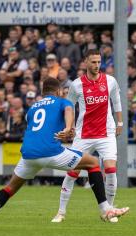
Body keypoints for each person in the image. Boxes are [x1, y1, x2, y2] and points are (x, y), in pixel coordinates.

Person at [0, 78, 129, 231]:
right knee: (93, 162)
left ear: (42, 92)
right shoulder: (62, 101)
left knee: (10, 188)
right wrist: (68, 128)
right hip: (50, 152)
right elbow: (68, 110)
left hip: (28, 155)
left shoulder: (32, 109)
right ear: (59, 91)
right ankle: (104, 209)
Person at [52, 49, 124, 223]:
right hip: (83, 135)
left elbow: (116, 101)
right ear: (85, 62)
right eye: (93, 62)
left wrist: (120, 123)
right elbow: (69, 107)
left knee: (111, 169)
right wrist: (68, 127)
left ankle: (109, 210)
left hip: (106, 132)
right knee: (72, 172)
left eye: (99, 62)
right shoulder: (77, 85)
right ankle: (61, 212)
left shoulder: (110, 81)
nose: (97, 65)